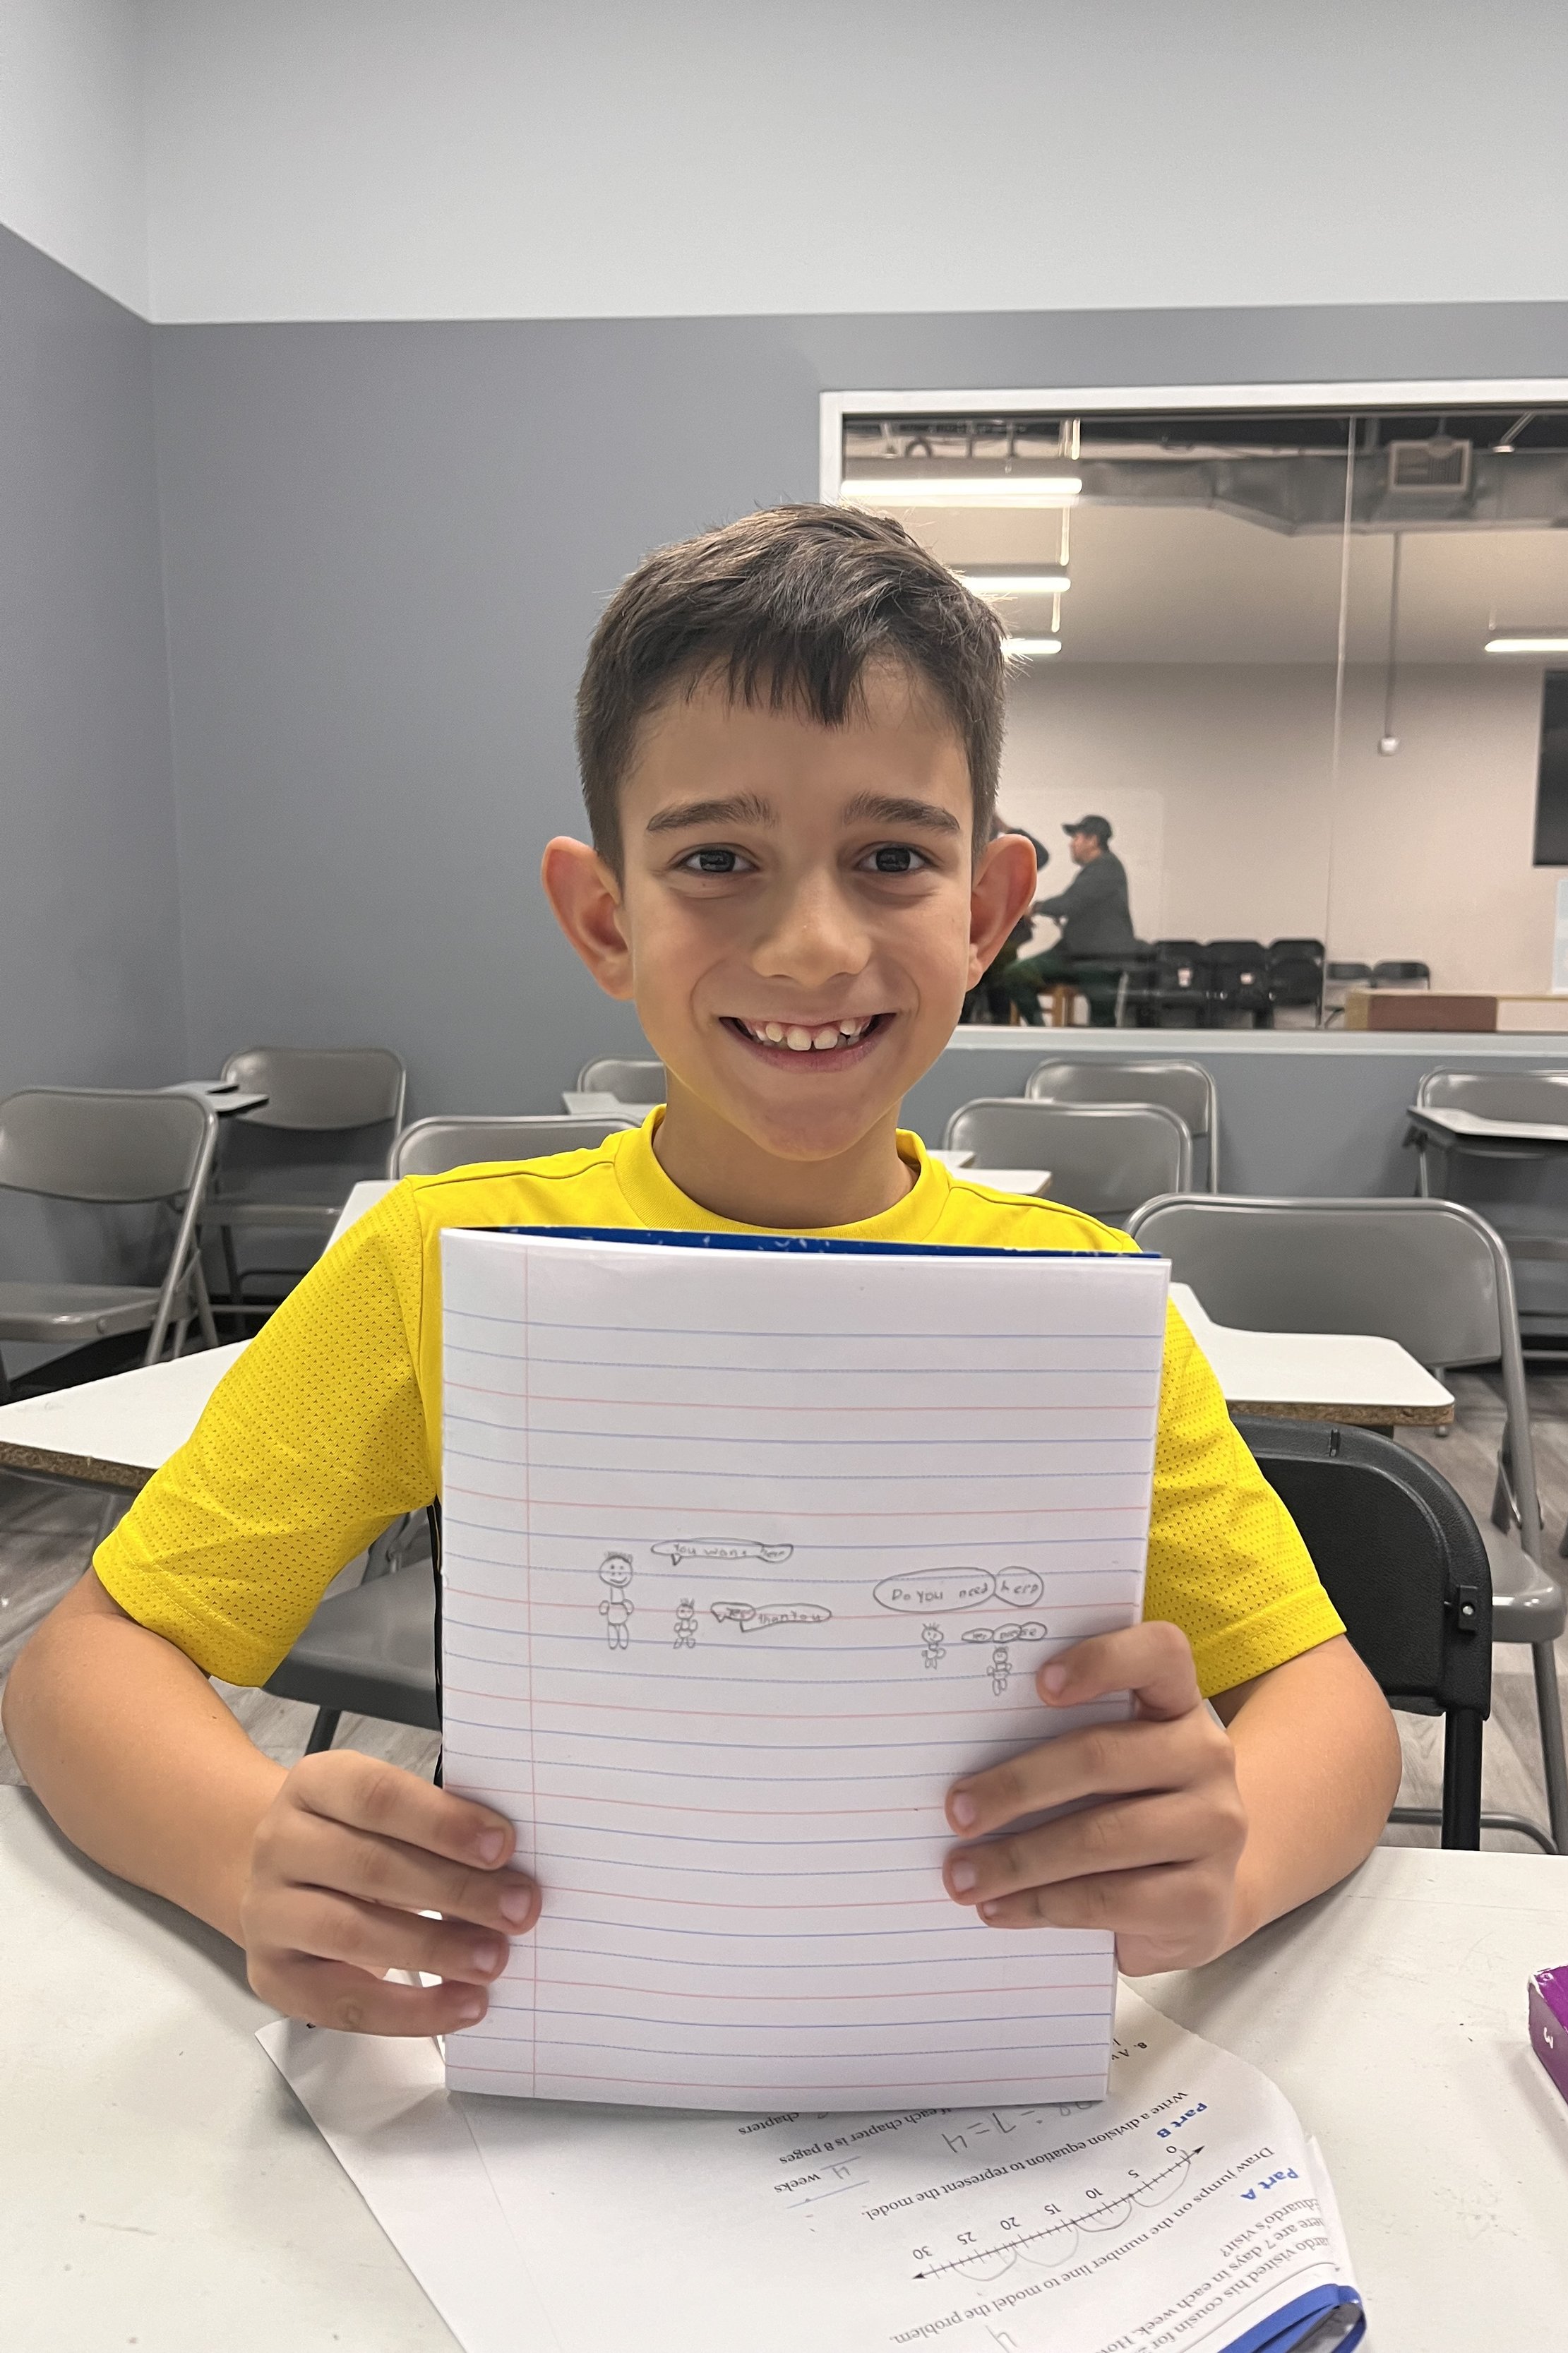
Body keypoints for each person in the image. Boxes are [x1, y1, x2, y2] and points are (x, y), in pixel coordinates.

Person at [4, 504, 1399, 2035]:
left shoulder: (1072, 1305)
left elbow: (1330, 1708)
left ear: (989, 912)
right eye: (718, 858)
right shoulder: (444, 1265)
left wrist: (1226, 1861)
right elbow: (83, 1666)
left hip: (958, 2074)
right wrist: (244, 1849)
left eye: (891, 856)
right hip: (556, 2065)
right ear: (606, 917)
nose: (810, 947)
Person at [1003, 814, 1137, 1025]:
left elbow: (1070, 902)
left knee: (1102, 1022)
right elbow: (1076, 903)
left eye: (1076, 838)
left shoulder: (1106, 867)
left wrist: (1037, 908)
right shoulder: (1100, 869)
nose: (1071, 844)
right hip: (1076, 956)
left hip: (1100, 961)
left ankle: (1050, 1033)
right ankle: (1041, 1032)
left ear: (1092, 841)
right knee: (1016, 974)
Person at [962, 815, 1048, 1021]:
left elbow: (1041, 855)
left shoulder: (1000, 859)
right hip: (974, 937)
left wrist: (1007, 828)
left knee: (998, 988)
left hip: (999, 938)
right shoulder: (965, 858)